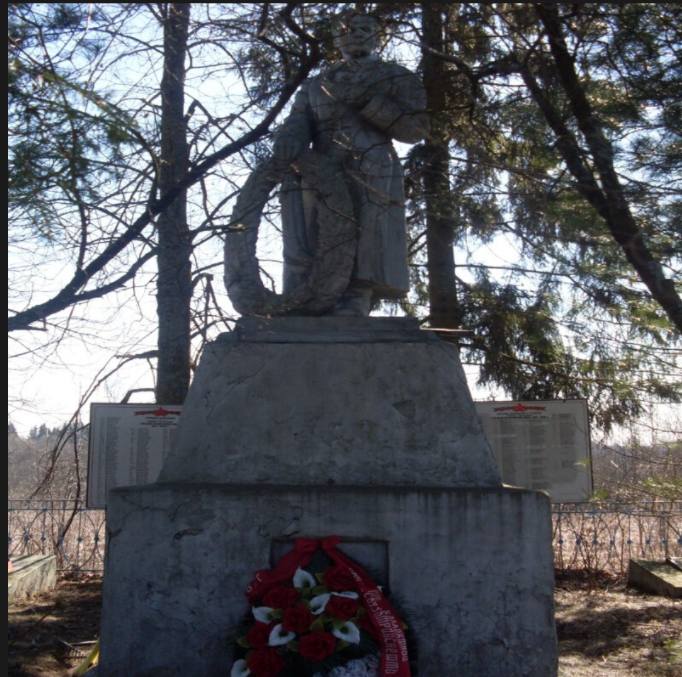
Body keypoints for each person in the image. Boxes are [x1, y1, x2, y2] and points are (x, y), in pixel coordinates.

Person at [273, 11, 429, 316]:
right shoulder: (316, 83)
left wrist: (370, 102)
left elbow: (416, 129)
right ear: (336, 38)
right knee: (309, 228)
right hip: (319, 164)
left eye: (364, 29)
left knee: (364, 230)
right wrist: (290, 136)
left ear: (376, 36)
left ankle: (355, 296)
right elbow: (299, 119)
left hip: (370, 161)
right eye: (348, 29)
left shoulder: (397, 76)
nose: (356, 34)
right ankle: (304, 294)